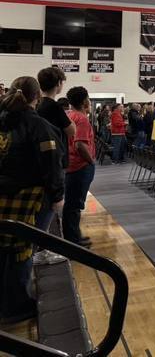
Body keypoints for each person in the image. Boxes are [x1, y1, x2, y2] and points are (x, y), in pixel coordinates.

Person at [0, 77, 64, 324]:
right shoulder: (38, 125)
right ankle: (16, 306)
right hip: (28, 197)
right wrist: (57, 195)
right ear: (36, 96)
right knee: (22, 249)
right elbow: (52, 164)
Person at [34, 67, 73, 264]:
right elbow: (71, 130)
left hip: (40, 160)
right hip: (52, 158)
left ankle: (39, 247)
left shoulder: (38, 105)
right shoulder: (53, 106)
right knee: (50, 206)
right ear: (58, 84)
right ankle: (39, 250)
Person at [63, 86, 95, 247]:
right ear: (84, 102)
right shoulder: (81, 119)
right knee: (74, 204)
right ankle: (73, 240)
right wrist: (91, 161)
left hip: (71, 165)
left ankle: (74, 235)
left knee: (72, 203)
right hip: (80, 166)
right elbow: (80, 145)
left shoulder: (69, 115)